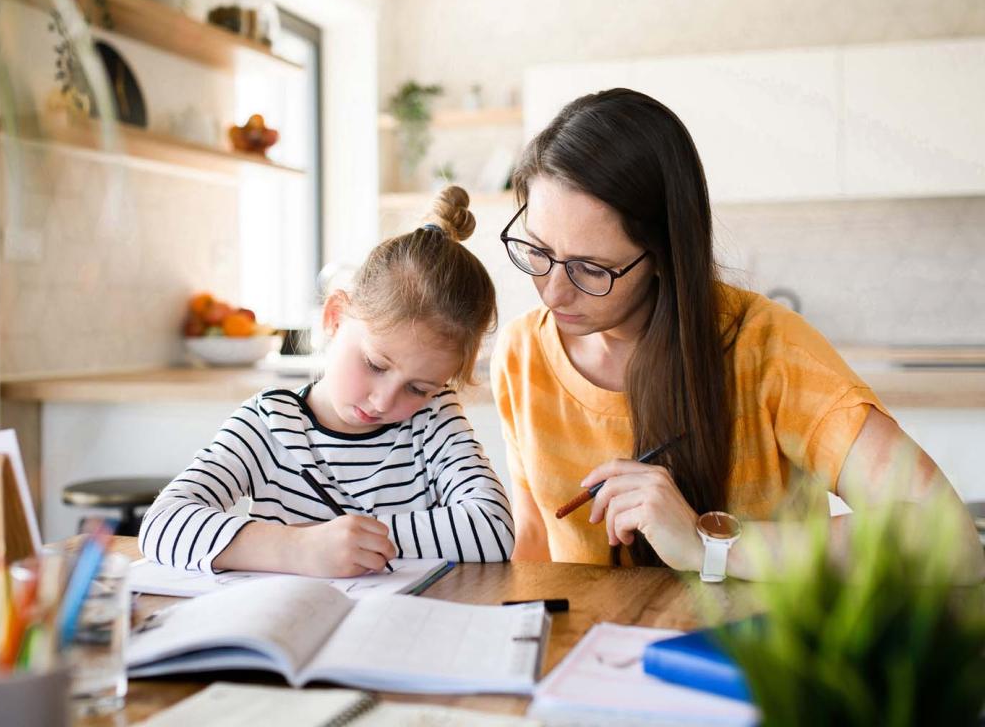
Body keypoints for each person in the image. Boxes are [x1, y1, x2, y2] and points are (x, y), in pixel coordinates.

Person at [490, 88, 984, 581]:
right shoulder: (520, 353)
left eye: (591, 269)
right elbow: (534, 552)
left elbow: (952, 542)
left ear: (663, 255)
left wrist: (709, 544)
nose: (552, 293)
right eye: (536, 250)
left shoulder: (768, 348)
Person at [141, 187, 514, 577]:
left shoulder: (433, 419)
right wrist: (297, 548)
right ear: (335, 317)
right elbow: (162, 524)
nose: (385, 402)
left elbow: (494, 527)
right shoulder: (269, 424)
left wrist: (350, 541)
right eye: (375, 364)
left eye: (418, 388)